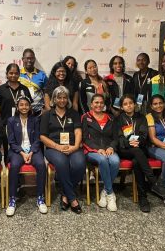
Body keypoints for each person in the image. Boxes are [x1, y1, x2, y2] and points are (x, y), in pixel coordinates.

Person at [116, 94, 165, 212]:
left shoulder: (141, 117)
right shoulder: (119, 119)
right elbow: (119, 137)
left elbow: (144, 135)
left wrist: (138, 142)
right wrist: (129, 143)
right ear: (121, 107)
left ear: (135, 104)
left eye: (130, 103)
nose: (128, 106)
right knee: (136, 152)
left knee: (136, 162)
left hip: (139, 148)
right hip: (125, 149)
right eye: (125, 104)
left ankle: (143, 197)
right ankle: (153, 182)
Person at [40, 86, 85, 214]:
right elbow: (42, 136)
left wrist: (75, 147)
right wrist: (57, 146)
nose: (62, 100)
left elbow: (78, 132)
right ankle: (72, 198)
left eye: (65, 97)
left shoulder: (74, 114)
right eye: (59, 97)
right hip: (53, 147)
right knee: (62, 163)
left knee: (80, 164)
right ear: (54, 99)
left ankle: (65, 193)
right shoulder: (47, 115)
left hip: (72, 146)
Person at [6, 96, 47, 216]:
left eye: (26, 105)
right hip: (18, 151)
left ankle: (40, 197)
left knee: (41, 164)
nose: (24, 107)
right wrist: (22, 153)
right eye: (21, 105)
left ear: (30, 107)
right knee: (14, 166)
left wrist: (31, 152)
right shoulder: (11, 120)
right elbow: (11, 141)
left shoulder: (35, 120)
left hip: (33, 150)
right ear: (17, 107)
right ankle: (12, 199)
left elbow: (38, 139)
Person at [82, 94, 119, 212]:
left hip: (108, 149)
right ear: (91, 104)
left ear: (104, 104)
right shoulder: (85, 117)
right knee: (102, 160)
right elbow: (84, 138)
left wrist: (111, 147)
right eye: (96, 102)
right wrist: (97, 149)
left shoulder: (111, 118)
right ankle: (110, 194)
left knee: (115, 161)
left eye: (101, 103)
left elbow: (116, 137)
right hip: (92, 150)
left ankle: (105, 191)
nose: (99, 105)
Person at [0, 63, 31, 162]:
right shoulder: (2, 89)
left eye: (16, 73)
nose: (13, 75)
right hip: (6, 123)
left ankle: (21, 163)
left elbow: (29, 104)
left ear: (19, 74)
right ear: (6, 74)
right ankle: (7, 165)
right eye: (11, 73)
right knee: (7, 145)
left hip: (22, 122)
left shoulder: (24, 88)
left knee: (21, 143)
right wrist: (0, 119)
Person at [19, 48, 48, 115]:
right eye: (27, 58)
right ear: (23, 59)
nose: (29, 60)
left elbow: (47, 93)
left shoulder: (41, 74)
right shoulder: (18, 74)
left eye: (31, 58)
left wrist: (46, 108)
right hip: (22, 112)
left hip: (39, 113)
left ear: (34, 59)